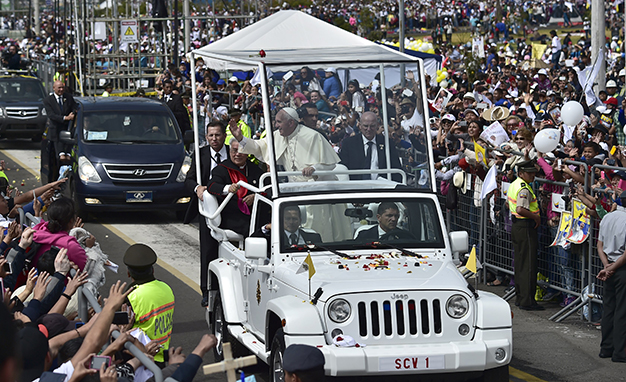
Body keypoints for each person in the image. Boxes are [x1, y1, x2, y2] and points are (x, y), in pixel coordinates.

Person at [184, 120, 228, 307]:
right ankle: (206, 290)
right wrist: (197, 188)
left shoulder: (232, 153)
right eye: (210, 135)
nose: (214, 139)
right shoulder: (200, 154)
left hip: (228, 206)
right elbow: (189, 179)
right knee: (208, 249)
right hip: (207, 209)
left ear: (224, 136)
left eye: (217, 135)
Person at [230, 107, 339, 182]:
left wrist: (314, 168)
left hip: (317, 186)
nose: (276, 125)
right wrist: (240, 138)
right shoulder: (277, 135)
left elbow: (331, 163)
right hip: (294, 186)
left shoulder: (313, 136)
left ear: (291, 123)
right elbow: (258, 147)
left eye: (279, 122)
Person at [124, 243, 175, 364]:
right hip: (162, 356)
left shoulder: (131, 297)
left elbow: (119, 332)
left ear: (128, 273)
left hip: (140, 359)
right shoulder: (166, 288)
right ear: (152, 270)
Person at [207, 139, 264, 236]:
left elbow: (267, 187)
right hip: (232, 216)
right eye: (234, 150)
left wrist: (255, 196)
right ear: (230, 151)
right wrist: (228, 188)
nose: (237, 154)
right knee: (255, 230)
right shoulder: (221, 169)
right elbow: (212, 186)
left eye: (241, 151)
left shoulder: (255, 169)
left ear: (247, 153)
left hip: (256, 214)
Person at [507, 160, 544, 311]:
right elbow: (521, 209)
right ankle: (527, 301)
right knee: (528, 264)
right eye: (530, 173)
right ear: (521, 173)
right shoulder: (523, 188)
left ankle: (521, 297)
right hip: (525, 226)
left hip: (518, 226)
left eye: (533, 172)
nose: (533, 175)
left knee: (521, 263)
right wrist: (536, 217)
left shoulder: (515, 184)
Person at [596, 190, 626, 363]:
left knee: (608, 308)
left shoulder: (608, 217)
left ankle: (605, 348)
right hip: (620, 268)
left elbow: (600, 245)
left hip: (608, 265)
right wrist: (612, 267)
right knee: (621, 311)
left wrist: (606, 266)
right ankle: (619, 352)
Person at [339, 111, 402, 180]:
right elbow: (342, 168)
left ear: (377, 125)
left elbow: (396, 168)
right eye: (365, 126)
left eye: (372, 126)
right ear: (360, 126)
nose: (369, 129)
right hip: (357, 186)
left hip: (381, 186)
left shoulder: (387, 143)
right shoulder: (349, 143)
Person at [43, 81, 77, 182]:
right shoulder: (48, 100)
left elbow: (75, 107)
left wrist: (73, 114)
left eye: (62, 88)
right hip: (55, 135)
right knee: (56, 161)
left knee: (67, 158)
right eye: (59, 88)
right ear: (53, 88)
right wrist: (65, 118)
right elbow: (52, 115)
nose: (61, 90)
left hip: (68, 132)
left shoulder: (68, 97)